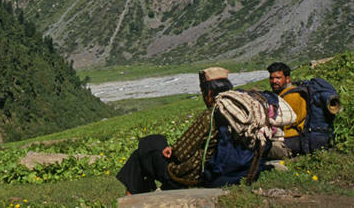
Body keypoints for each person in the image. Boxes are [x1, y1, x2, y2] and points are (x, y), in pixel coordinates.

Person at [116, 67, 271, 194]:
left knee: (145, 150)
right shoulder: (238, 109)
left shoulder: (212, 114)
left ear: (209, 93)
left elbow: (180, 153)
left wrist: (171, 150)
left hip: (194, 175)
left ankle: (131, 197)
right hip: (236, 169)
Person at [267, 62, 306, 156]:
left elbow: (288, 123)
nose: (274, 81)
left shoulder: (292, 96)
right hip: (287, 137)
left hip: (292, 139)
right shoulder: (280, 94)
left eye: (278, 78)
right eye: (272, 78)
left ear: (287, 79)